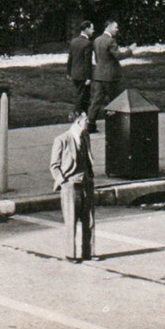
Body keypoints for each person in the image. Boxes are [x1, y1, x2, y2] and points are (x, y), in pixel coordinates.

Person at [49, 110, 97, 262]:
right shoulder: (62, 140)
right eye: (86, 121)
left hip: (86, 183)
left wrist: (90, 176)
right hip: (71, 185)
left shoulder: (85, 137)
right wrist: (63, 181)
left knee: (89, 220)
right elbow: (54, 165)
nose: (88, 124)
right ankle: (71, 254)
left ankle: (88, 253)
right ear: (78, 122)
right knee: (71, 220)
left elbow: (88, 159)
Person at [87, 20, 126, 130]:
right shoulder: (111, 41)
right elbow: (118, 56)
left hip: (99, 74)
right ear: (109, 27)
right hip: (110, 76)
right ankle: (117, 124)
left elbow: (97, 58)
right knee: (115, 100)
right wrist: (130, 51)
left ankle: (90, 123)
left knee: (96, 100)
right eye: (115, 27)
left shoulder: (97, 40)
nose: (117, 30)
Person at [66, 20, 95, 118]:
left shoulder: (73, 41)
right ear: (86, 29)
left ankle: (82, 117)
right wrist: (89, 77)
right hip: (83, 75)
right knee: (83, 97)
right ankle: (76, 114)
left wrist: (69, 72)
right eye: (91, 28)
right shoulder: (87, 43)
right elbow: (88, 62)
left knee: (81, 95)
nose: (93, 31)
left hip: (74, 73)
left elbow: (70, 58)